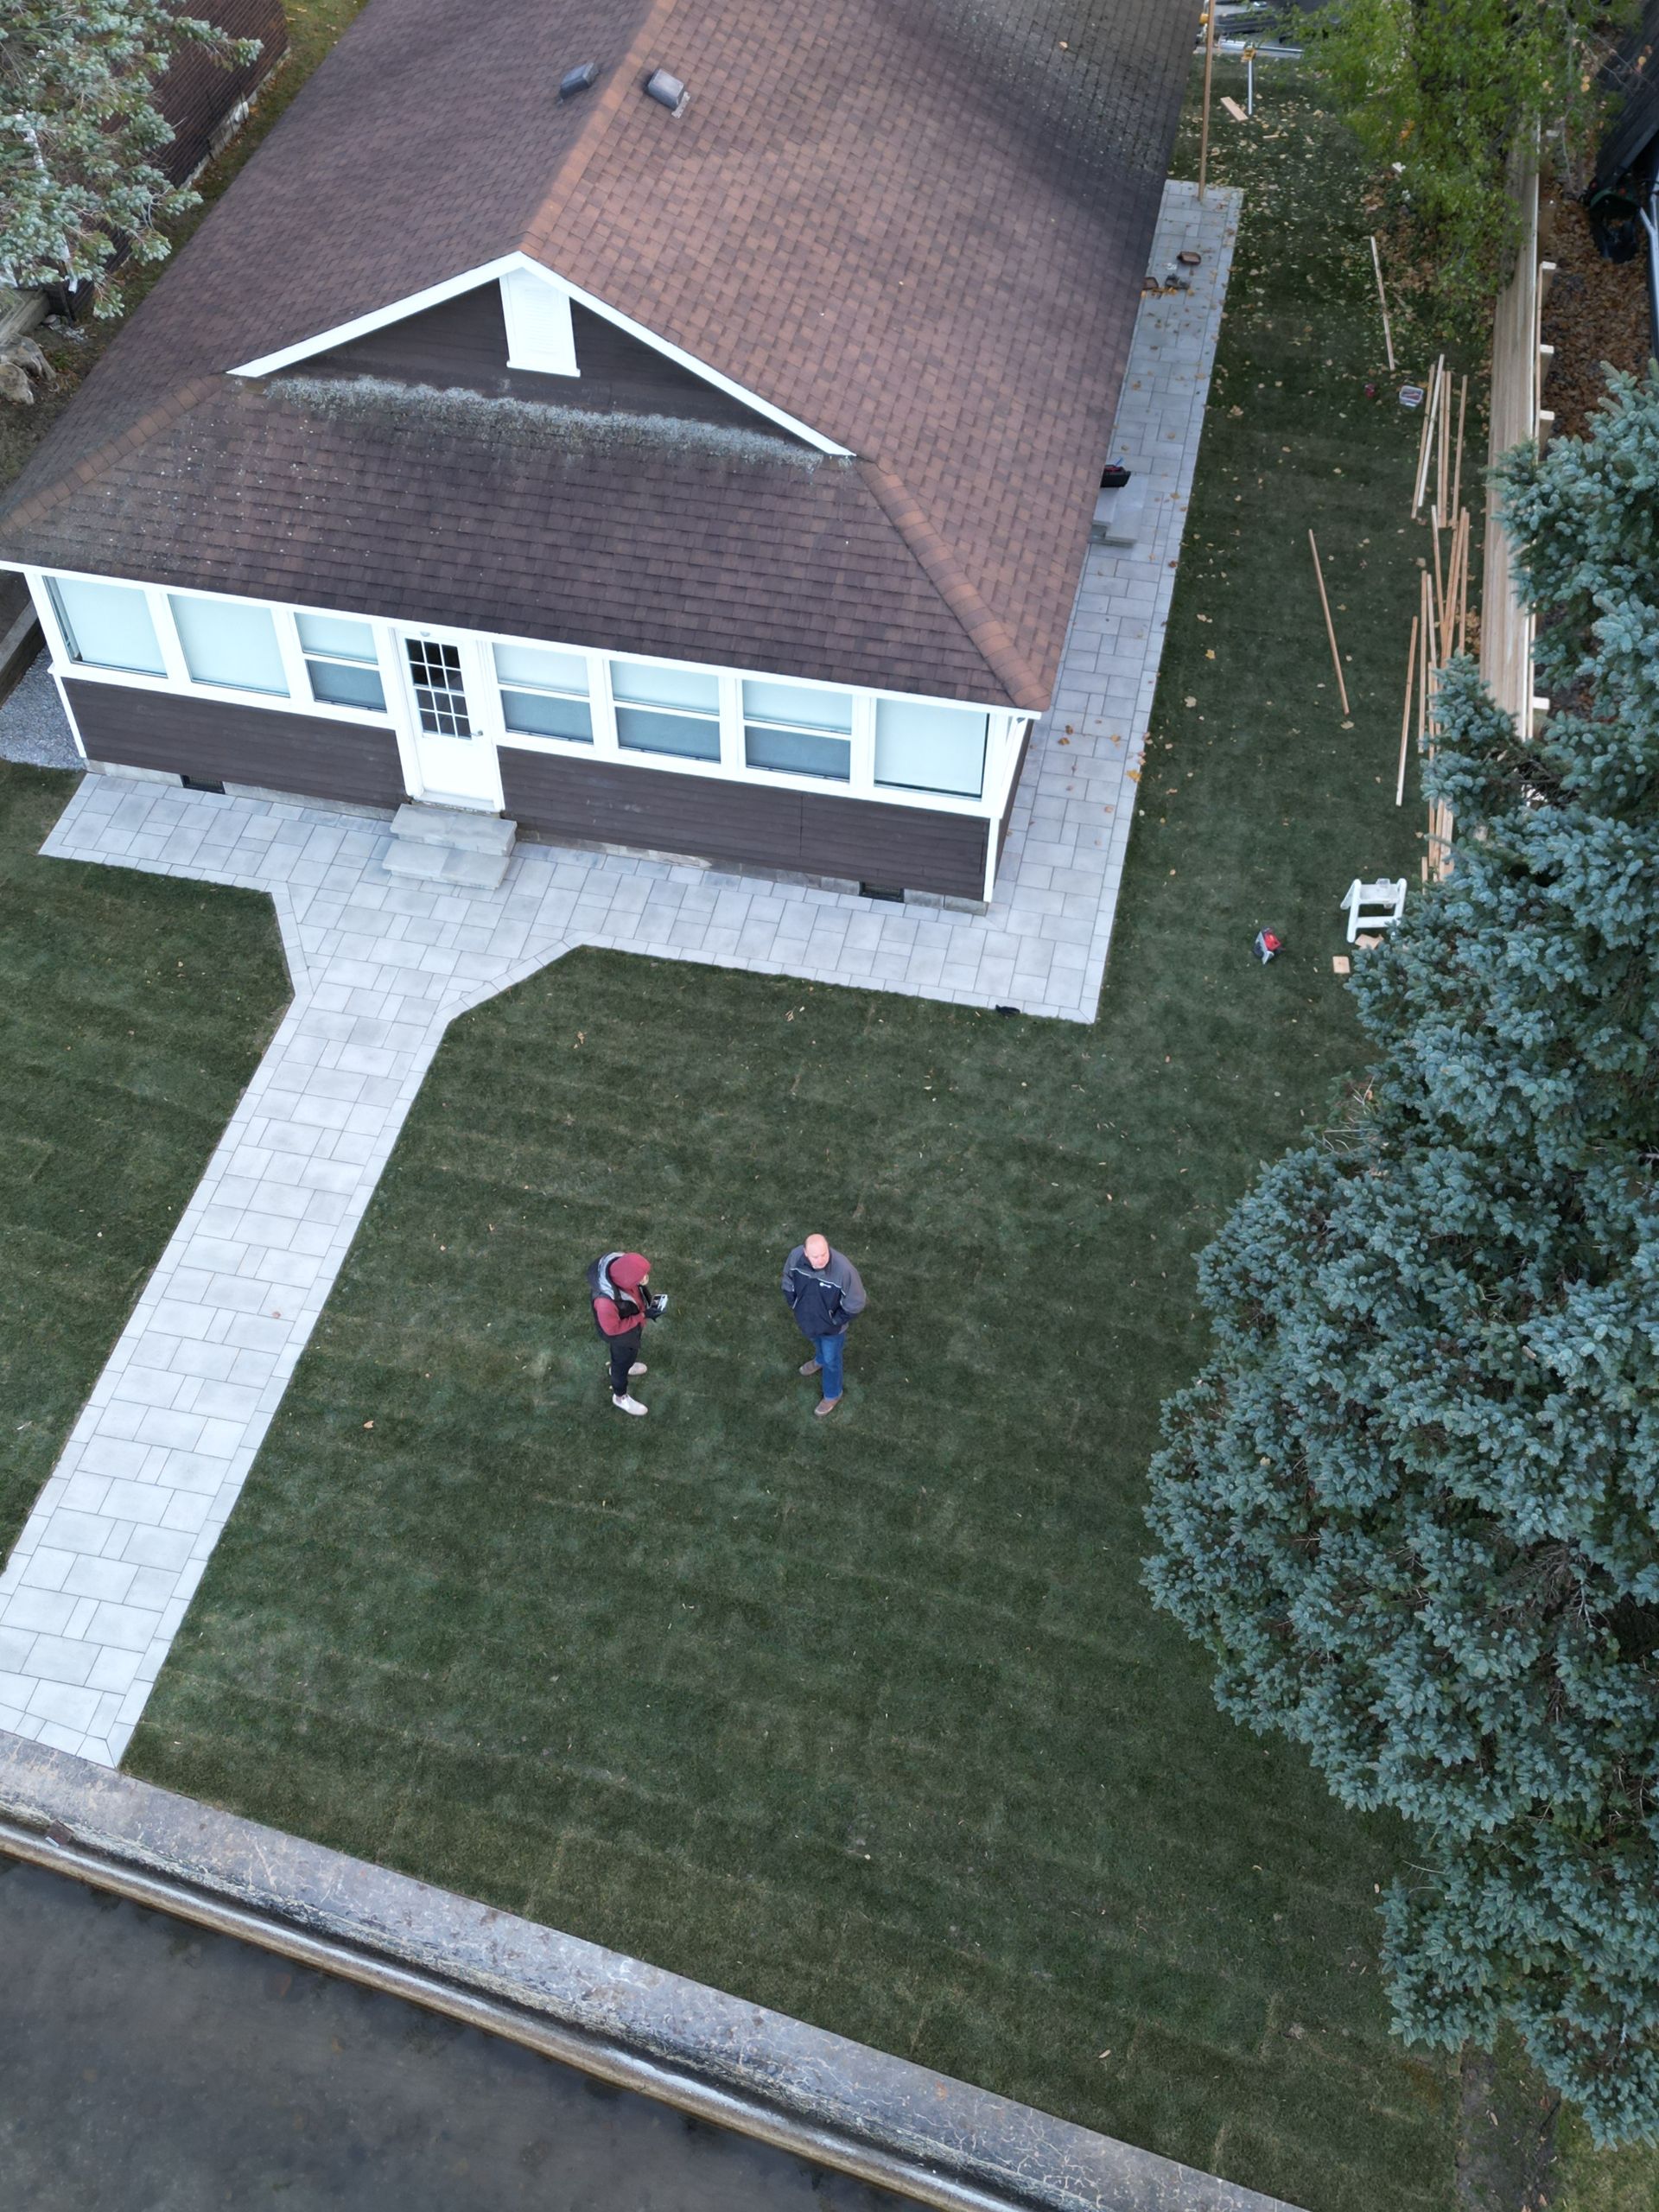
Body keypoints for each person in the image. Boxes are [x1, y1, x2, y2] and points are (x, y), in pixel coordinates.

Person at [780, 1234, 866, 1417]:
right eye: (815, 1256)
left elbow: (856, 1302)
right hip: (808, 1322)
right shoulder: (795, 1257)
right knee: (818, 1345)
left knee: (832, 1360)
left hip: (831, 1330)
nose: (820, 1260)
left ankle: (832, 1394)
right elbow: (787, 1280)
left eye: (824, 1254)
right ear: (805, 1254)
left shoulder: (844, 1271)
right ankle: (819, 1360)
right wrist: (794, 1303)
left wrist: (834, 1321)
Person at [587, 1250, 664, 1417]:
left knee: (629, 1355)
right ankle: (620, 1396)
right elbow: (612, 1329)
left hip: (632, 1327)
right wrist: (642, 1316)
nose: (644, 1279)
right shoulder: (605, 1303)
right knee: (621, 1364)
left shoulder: (620, 1271)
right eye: (640, 1278)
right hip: (621, 1337)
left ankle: (624, 1365)